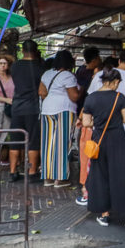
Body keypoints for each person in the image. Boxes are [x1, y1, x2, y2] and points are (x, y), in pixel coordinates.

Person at [80, 67, 125, 229]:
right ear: (115, 82)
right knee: (123, 175)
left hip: (99, 140)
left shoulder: (91, 98)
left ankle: (105, 215)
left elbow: (85, 123)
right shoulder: (120, 97)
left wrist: (98, 123)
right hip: (118, 140)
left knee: (100, 176)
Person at [88, 50, 125, 152]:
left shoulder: (99, 75)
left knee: (101, 164)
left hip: (100, 131)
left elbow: (90, 97)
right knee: (123, 164)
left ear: (119, 61)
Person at [39, 50, 80, 187]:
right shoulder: (68, 75)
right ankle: (60, 178)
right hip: (64, 110)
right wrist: (82, 91)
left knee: (48, 143)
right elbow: (74, 96)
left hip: (47, 109)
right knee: (62, 144)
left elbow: (41, 92)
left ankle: (47, 177)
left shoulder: (47, 73)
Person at [8, 40, 43, 181]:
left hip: (16, 107)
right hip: (33, 107)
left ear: (22, 50)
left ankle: (12, 172)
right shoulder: (40, 67)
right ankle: (32, 172)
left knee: (15, 139)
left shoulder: (15, 66)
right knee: (33, 140)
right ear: (35, 50)